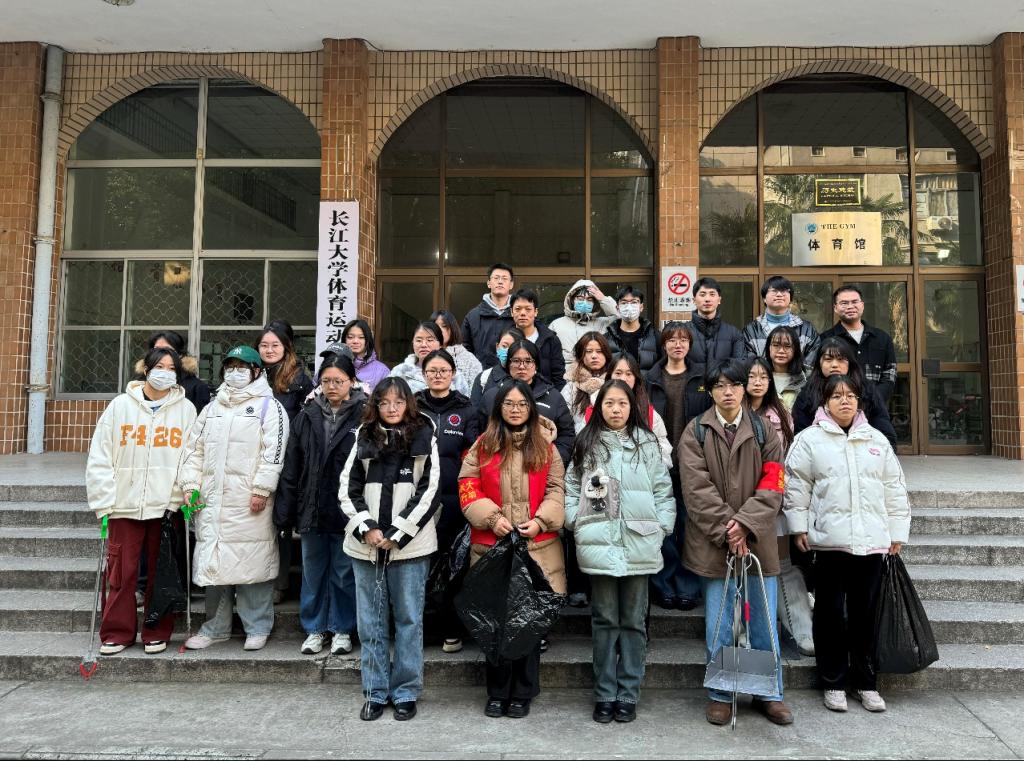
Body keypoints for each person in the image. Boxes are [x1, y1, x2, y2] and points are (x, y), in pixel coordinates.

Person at [784, 373, 911, 714]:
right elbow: (796, 486)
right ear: (825, 402)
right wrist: (798, 527)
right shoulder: (809, 440)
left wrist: (897, 531)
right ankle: (833, 681)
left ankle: (866, 682)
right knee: (829, 615)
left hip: (871, 543)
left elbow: (894, 488)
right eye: (837, 396)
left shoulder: (876, 440)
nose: (845, 401)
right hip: (829, 544)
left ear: (859, 401)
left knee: (865, 615)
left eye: (851, 396)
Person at [679, 359, 792, 727]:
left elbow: (774, 482)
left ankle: (768, 692)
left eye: (734, 385)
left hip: (758, 541)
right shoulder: (695, 431)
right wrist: (728, 529)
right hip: (715, 544)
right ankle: (721, 694)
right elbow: (695, 489)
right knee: (721, 622)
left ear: (745, 388)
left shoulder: (764, 430)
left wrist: (745, 524)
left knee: (763, 623)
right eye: (719, 386)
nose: (727, 392)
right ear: (711, 391)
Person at [565, 380, 675, 724]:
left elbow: (663, 489)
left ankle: (628, 692)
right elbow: (571, 487)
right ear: (599, 407)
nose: (616, 409)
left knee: (633, 622)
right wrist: (575, 520)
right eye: (609, 403)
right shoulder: (587, 442)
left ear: (632, 407)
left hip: (640, 542)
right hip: (599, 543)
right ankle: (604, 693)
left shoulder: (646, 443)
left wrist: (662, 527)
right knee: (604, 621)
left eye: (622, 403)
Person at [458, 379, 566, 719]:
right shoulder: (483, 445)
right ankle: (497, 691)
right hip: (493, 545)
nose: (516, 410)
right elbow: (467, 485)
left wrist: (541, 521)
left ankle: (523, 691)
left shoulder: (546, 447)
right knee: (496, 622)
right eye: (509, 404)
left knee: (528, 623)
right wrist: (492, 518)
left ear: (531, 408)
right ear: (499, 408)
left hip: (536, 546)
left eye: (522, 404)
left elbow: (557, 488)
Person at [338, 377, 440, 722]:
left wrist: (398, 533)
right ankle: (374, 691)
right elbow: (346, 489)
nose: (391, 408)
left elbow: (430, 491)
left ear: (408, 403)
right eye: (384, 402)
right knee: (371, 623)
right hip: (365, 547)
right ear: (375, 405)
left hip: (409, 548)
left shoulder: (425, 434)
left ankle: (406, 691)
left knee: (409, 620)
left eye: (398, 402)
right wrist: (367, 527)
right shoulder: (363, 435)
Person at [85, 347, 198, 656]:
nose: (165, 373)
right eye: (159, 367)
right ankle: (117, 632)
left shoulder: (186, 410)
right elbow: (100, 456)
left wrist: (183, 494)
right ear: (146, 370)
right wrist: (103, 500)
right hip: (123, 504)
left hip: (166, 506)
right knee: (121, 573)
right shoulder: (120, 406)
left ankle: (156, 631)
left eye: (172, 368)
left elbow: (191, 457)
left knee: (162, 573)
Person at [178, 345, 289, 652]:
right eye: (230, 367)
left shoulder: (269, 407)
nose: (235, 372)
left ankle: (257, 627)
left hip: (250, 502)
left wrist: (262, 489)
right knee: (214, 565)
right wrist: (190, 485)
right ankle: (215, 628)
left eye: (242, 367)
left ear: (257, 372)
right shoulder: (212, 407)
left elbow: (274, 453)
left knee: (253, 563)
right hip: (213, 501)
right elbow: (194, 450)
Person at [275, 349, 366, 657]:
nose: (332, 386)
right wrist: (286, 511)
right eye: (326, 381)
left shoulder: (364, 416)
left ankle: (342, 629)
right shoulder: (307, 415)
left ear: (352, 381)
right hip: (311, 505)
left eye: (339, 380)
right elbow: (292, 466)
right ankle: (314, 629)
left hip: (347, 510)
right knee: (313, 572)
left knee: (343, 573)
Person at [746, 356, 813, 657]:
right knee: (747, 566)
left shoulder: (782, 414)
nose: (758, 382)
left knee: (782, 563)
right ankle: (747, 630)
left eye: (763, 377)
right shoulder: (735, 411)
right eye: (751, 376)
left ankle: (800, 627)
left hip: (776, 496)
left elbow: (789, 459)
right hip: (743, 499)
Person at [414, 349, 480, 654]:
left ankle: (451, 629)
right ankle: (420, 629)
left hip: (453, 499)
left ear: (453, 374)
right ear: (424, 374)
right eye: (432, 371)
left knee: (452, 567)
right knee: (419, 564)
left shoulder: (466, 409)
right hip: (417, 499)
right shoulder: (413, 406)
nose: (438, 375)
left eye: (443, 370)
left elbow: (473, 453)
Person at [645, 323, 711, 611]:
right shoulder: (650, 379)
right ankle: (664, 585)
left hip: (692, 463)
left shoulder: (701, 377)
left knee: (689, 527)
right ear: (664, 345)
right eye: (671, 340)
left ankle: (688, 586)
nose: (677, 344)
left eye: (683, 340)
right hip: (659, 463)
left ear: (690, 344)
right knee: (664, 528)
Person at [255, 320, 314, 605]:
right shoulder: (250, 373)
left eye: (275, 345)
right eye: (264, 345)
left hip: (287, 456)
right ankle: (255, 579)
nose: (269, 350)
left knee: (282, 518)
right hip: (253, 455)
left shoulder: (299, 377)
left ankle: (279, 583)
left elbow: (305, 419)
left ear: (286, 347)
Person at [480, 340, 575, 465]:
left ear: (536, 365)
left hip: (541, 466)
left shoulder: (553, 397)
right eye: (516, 361)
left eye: (528, 361)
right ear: (508, 364)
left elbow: (567, 434)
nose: (522, 366)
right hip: (499, 466)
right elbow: (480, 433)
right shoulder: (492, 396)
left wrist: (553, 462)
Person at [792, 337, 898, 446]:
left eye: (840, 359)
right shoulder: (808, 392)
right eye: (828, 359)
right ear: (819, 363)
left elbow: (885, 434)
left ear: (850, 362)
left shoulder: (866, 390)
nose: (834, 364)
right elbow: (800, 436)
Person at [584, 353, 672, 466]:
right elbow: (583, 447)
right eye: (618, 373)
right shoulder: (593, 410)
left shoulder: (648, 412)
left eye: (629, 374)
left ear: (636, 378)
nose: (623, 379)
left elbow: (663, 449)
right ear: (610, 376)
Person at [819, 285, 898, 403]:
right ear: (835, 308)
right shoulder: (825, 339)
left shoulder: (882, 338)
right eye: (844, 303)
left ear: (862, 305)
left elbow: (889, 373)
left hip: (875, 406)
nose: (850, 306)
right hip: (838, 406)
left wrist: (874, 400)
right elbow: (819, 375)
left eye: (855, 302)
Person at [742, 276, 820, 370]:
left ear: (790, 298)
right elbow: (748, 360)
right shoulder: (751, 330)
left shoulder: (806, 328)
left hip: (799, 378)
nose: (779, 294)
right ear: (764, 298)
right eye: (774, 291)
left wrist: (797, 374)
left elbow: (812, 359)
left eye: (784, 291)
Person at [134, 330, 211, 414]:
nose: (161, 354)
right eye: (156, 349)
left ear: (180, 355)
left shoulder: (197, 388)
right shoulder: (139, 383)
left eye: (168, 350)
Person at [550, 280, 619, 368]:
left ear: (595, 303)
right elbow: (549, 354)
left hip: (597, 373)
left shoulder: (603, 323)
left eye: (589, 299)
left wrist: (603, 299)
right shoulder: (557, 324)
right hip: (566, 373)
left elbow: (619, 318)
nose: (585, 302)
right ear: (572, 300)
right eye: (580, 299)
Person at [390, 321, 471, 396]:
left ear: (440, 344)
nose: (423, 345)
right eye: (419, 340)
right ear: (413, 343)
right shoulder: (400, 372)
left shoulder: (454, 375)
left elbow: (465, 402)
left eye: (429, 340)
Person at [461, 263, 517, 368]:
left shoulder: (518, 314)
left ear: (511, 284)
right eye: (496, 278)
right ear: (489, 283)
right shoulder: (473, 316)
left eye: (504, 278)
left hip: (514, 373)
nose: (500, 281)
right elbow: (465, 350)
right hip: (481, 374)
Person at [510, 288, 566, 390]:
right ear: (511, 312)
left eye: (528, 309)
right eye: (518, 309)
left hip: (545, 394)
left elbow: (558, 376)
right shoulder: (505, 340)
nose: (523, 313)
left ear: (535, 312)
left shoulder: (550, 340)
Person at [683, 277, 746, 367]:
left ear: (719, 300)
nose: (707, 299)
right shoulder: (682, 332)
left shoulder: (734, 334)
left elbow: (739, 366)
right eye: (702, 294)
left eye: (712, 294)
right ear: (694, 300)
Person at [562, 331, 615, 433]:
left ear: (606, 354)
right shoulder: (571, 386)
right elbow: (563, 422)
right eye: (589, 351)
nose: (594, 356)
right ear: (581, 355)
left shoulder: (615, 383)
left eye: (599, 351)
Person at [603, 287, 661, 372]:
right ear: (617, 308)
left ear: (641, 307)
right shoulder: (606, 339)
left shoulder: (656, 337)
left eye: (634, 302)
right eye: (624, 303)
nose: (629, 307)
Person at [469, 327, 525, 408]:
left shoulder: (528, 376)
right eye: (504, 346)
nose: (508, 351)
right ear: (497, 347)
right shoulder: (483, 378)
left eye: (513, 347)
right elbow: (475, 410)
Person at [431, 309, 484, 390]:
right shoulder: (422, 356)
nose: (440, 330)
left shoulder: (470, 360)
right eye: (435, 326)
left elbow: (475, 393)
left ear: (452, 328)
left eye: (444, 326)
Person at [765, 325, 807, 412]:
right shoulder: (759, 375)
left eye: (787, 346)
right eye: (776, 345)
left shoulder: (806, 378)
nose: (781, 351)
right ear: (769, 347)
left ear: (795, 349)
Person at [341, 319, 391, 392]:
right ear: (344, 340)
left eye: (361, 337)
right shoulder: (335, 365)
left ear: (368, 340)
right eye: (350, 337)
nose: (355, 341)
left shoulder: (382, 371)